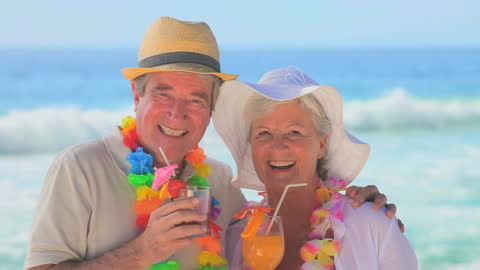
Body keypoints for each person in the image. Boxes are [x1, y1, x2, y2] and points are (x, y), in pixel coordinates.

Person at [25, 17, 403, 270]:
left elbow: (282, 215)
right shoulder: (80, 168)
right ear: (136, 96)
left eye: (196, 99)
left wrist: (362, 205)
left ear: (210, 109)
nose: (178, 112)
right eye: (163, 93)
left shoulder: (221, 185)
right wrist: (140, 253)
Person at [212, 68, 418, 270]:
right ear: (252, 146)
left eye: (294, 132)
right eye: (263, 133)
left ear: (321, 144)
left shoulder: (373, 226)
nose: (278, 145)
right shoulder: (234, 239)